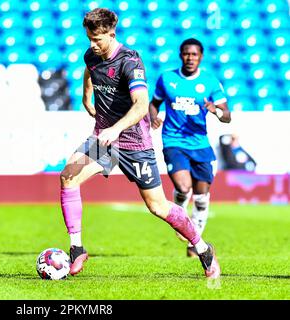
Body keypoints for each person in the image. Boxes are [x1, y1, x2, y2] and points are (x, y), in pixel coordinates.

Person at [60, 8, 220, 279]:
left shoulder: (130, 61)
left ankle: (203, 249)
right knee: (68, 177)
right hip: (104, 140)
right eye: (88, 38)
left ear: (112, 34)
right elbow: (89, 72)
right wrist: (86, 96)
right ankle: (77, 249)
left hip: (135, 143)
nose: (91, 45)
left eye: (97, 39)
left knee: (157, 206)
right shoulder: (92, 55)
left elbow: (141, 105)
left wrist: (116, 128)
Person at [149, 38, 231, 257]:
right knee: (184, 188)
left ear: (201, 56)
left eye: (194, 54)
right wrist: (153, 116)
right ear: (180, 55)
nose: (190, 58)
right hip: (173, 140)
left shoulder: (210, 81)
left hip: (200, 144)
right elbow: (154, 103)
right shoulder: (167, 79)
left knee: (202, 197)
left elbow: (227, 117)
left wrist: (215, 110)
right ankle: (179, 212)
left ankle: (194, 244)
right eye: (186, 54)